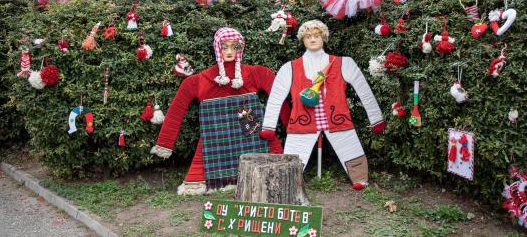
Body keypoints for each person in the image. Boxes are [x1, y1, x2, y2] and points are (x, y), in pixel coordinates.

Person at [151, 27, 288, 195]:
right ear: (217, 48)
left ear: (240, 48)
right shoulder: (200, 80)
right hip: (216, 138)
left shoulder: (255, 73)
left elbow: (278, 101)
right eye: (225, 47)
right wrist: (165, 143)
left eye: (234, 46)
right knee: (204, 164)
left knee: (269, 159)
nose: (229, 51)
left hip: (250, 133)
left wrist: (294, 127)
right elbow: (176, 111)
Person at [260, 20, 384, 190]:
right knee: (293, 156)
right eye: (308, 36)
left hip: (337, 118)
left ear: (324, 37)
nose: (312, 39)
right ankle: (286, 182)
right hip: (302, 121)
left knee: (350, 146)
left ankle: (360, 178)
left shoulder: (343, 63)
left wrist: (376, 118)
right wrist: (268, 126)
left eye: (317, 35)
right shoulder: (290, 68)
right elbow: (276, 97)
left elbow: (364, 91)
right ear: (302, 39)